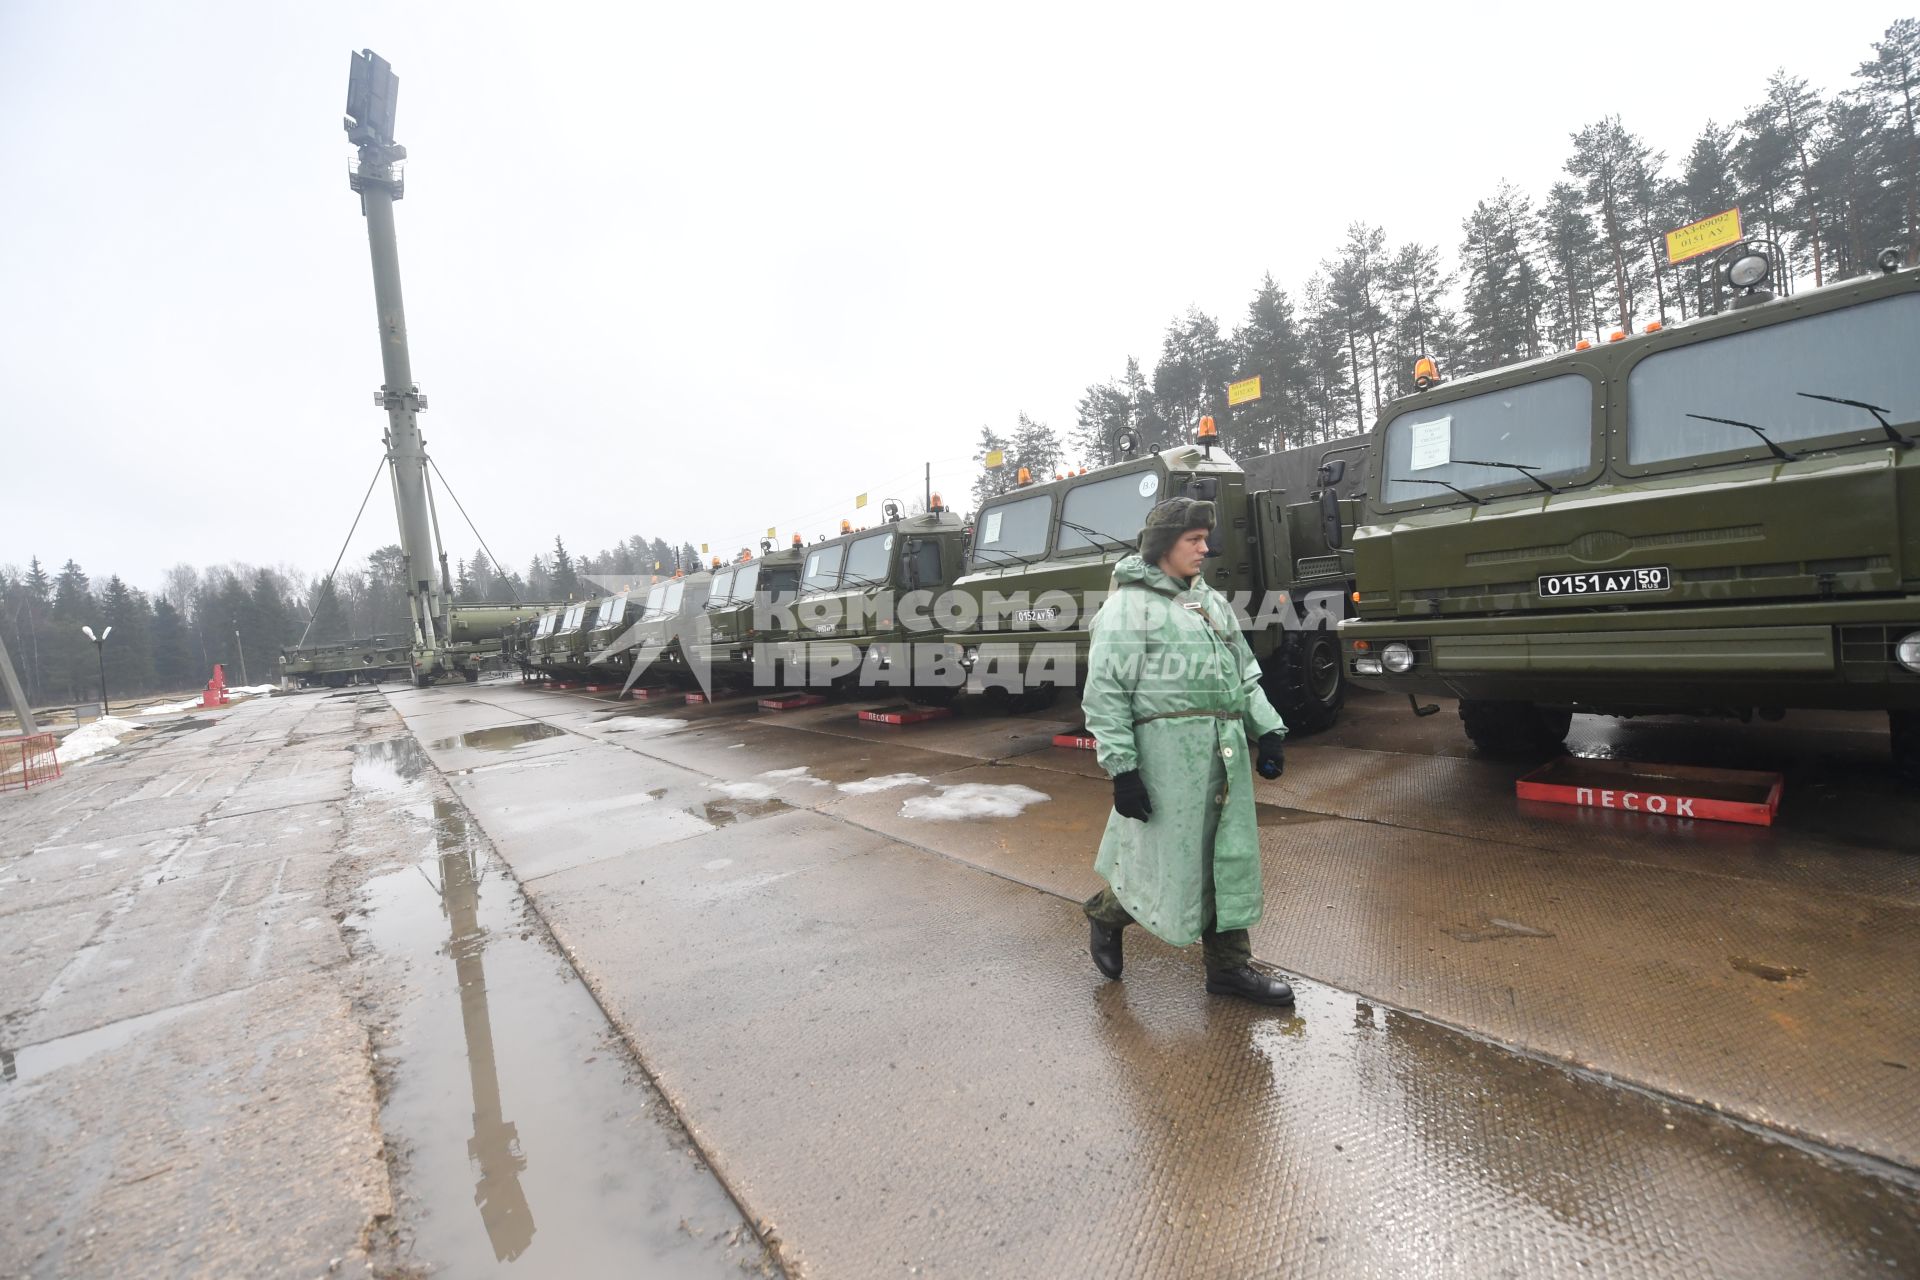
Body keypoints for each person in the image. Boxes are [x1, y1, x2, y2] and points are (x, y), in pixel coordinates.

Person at [1079, 496, 1294, 1006]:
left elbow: (1242, 672)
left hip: (1222, 754)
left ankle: (1228, 970)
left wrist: (1270, 730)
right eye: (1193, 540)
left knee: (1226, 858)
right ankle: (1106, 913)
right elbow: (1106, 694)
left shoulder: (1208, 602)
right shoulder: (1128, 609)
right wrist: (1123, 769)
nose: (1206, 548)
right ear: (1162, 548)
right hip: (1166, 760)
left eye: (1205, 538)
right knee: (1171, 863)